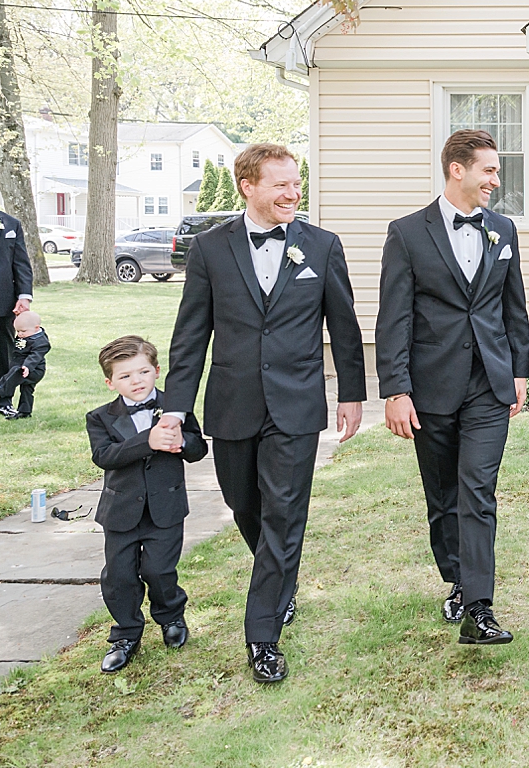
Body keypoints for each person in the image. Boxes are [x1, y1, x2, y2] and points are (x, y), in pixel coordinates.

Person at [160, 143, 366, 684]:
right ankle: (282, 582)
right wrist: (174, 409)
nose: (292, 192)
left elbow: (343, 327)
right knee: (244, 504)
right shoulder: (209, 249)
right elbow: (190, 338)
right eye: (279, 183)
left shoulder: (321, 246)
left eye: (295, 182)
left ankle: (263, 634)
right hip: (233, 403)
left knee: (283, 513)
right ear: (247, 186)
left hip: (297, 405)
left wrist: (351, 392)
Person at [377, 129, 529, 646]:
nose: (496, 178)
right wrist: (396, 390)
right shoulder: (406, 233)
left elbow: (513, 306)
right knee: (442, 495)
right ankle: (458, 580)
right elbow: (393, 316)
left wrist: (519, 371)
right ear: (456, 170)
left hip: (488, 385)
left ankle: (479, 606)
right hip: (430, 386)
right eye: (488, 169)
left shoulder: (503, 230)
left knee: (478, 490)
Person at [88, 336, 207, 674]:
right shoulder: (100, 418)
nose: (136, 381)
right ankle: (125, 634)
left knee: (159, 570)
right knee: (120, 575)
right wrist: (147, 440)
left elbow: (198, 448)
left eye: (143, 372)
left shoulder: (175, 408)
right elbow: (103, 456)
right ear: (110, 382)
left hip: (165, 510)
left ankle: (171, 616)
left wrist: (181, 440)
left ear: (157, 370)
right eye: (125, 376)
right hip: (121, 513)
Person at [0, 169, 33, 414]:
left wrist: (24, 296)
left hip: (4, 304)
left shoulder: (11, 224)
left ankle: (1, 401)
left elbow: (21, 263)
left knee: (4, 355)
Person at [0, 308, 49, 419]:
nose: (20, 334)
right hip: (22, 365)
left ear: (36, 328)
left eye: (23, 331)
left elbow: (35, 356)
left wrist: (27, 366)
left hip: (34, 369)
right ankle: (24, 412)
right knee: (27, 390)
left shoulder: (41, 342)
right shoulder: (25, 335)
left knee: (16, 373)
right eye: (18, 331)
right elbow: (17, 351)